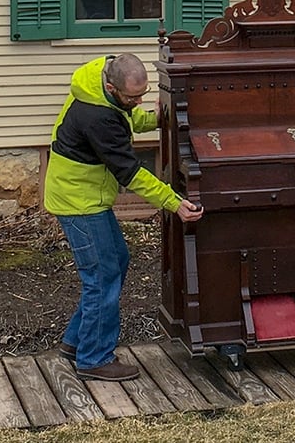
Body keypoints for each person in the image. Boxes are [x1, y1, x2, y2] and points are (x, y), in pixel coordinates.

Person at [44, 53, 203, 381]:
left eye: (142, 95)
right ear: (111, 86)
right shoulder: (96, 116)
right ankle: (94, 358)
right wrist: (174, 203)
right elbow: (131, 173)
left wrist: (155, 118)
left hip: (86, 197)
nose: (138, 101)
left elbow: (126, 119)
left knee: (115, 260)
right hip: (78, 201)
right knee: (102, 276)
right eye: (133, 97)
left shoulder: (101, 93)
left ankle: (77, 342)